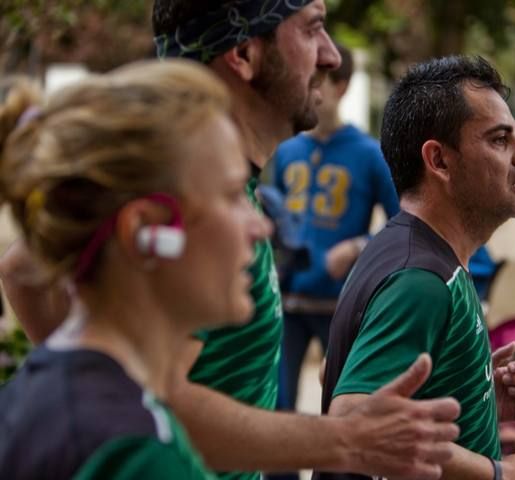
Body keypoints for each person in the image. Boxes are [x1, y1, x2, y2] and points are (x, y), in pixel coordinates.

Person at [0, 1, 462, 479]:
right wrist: (346, 440)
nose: (331, 56)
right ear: (244, 53)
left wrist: (97, 382)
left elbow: (24, 272)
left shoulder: (69, 406)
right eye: (312, 29)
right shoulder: (133, 447)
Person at [0, 59, 271, 479]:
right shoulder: (137, 457)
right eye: (233, 194)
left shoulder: (46, 398)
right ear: (146, 231)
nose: (260, 226)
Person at [317, 55, 515, 480]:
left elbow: (340, 371)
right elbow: (353, 420)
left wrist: (472, 397)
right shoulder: (421, 279)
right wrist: (500, 474)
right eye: (500, 139)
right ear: (439, 161)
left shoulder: (404, 250)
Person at [272, 43, 399, 412]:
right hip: (288, 301)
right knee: (278, 405)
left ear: (341, 86)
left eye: (319, 81)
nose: (310, 89)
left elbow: (402, 226)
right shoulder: (286, 149)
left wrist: (357, 247)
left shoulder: (371, 153)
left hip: (341, 306)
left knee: (342, 405)